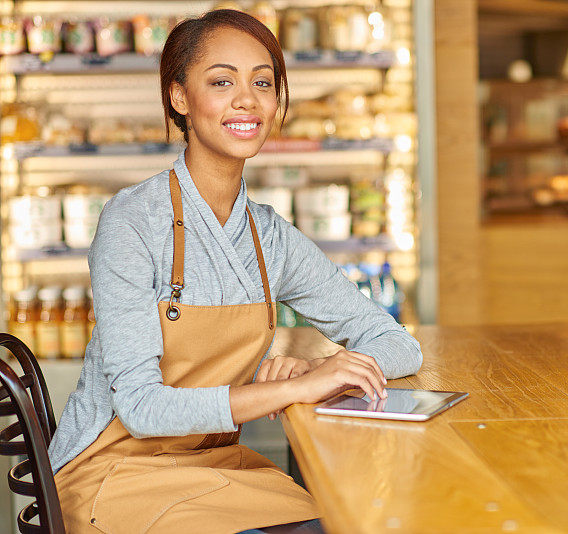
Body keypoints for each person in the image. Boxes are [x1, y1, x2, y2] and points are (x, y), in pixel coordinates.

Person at [46, 9, 423, 533]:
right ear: (180, 97)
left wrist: (316, 372)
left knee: (354, 520)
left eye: (262, 83)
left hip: (212, 467)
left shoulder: (269, 238)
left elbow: (399, 344)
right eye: (222, 82)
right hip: (114, 473)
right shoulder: (132, 221)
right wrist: (293, 390)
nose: (246, 100)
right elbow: (141, 410)